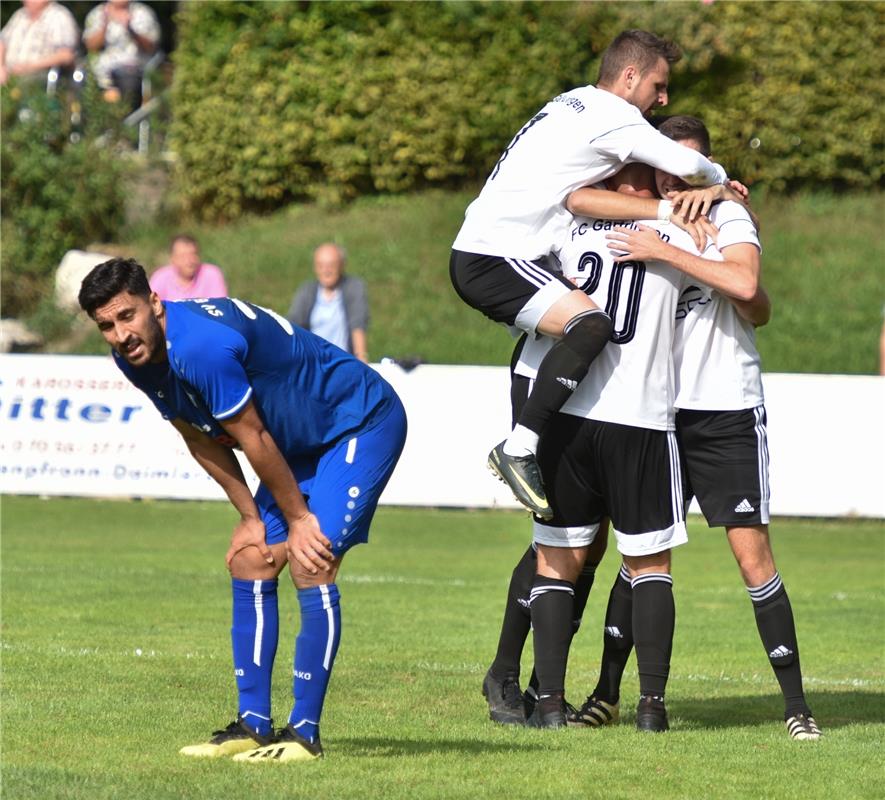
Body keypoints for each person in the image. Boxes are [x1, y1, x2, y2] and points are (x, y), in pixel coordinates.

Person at [78, 258, 407, 761]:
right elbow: (196, 435)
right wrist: (251, 519)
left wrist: (298, 521)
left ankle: (304, 735)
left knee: (310, 559)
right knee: (250, 557)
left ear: (155, 303)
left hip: (356, 422)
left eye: (127, 316)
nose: (121, 334)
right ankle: (254, 726)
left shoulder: (199, 346)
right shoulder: (137, 359)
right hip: (296, 445)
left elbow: (249, 435)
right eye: (107, 325)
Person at [575, 115, 821, 741]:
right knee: (640, 557)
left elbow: (745, 285)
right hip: (656, 413)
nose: (674, 174)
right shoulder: (654, 215)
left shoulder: (729, 217)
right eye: (665, 162)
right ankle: (607, 694)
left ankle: (797, 707)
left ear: (707, 167)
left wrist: (670, 247)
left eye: (688, 164)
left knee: (751, 556)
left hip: (726, 410)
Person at [450, 29, 730, 520]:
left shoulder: (572, 102)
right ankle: (519, 448)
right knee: (592, 325)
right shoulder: (615, 117)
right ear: (629, 76)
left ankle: (526, 441)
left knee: (568, 333)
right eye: (658, 86)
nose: (663, 98)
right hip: (494, 256)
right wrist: (720, 180)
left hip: (493, 253)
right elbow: (687, 163)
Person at [491, 160, 698, 731]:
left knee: (557, 557)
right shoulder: (676, 231)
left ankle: (549, 702)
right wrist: (714, 202)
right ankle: (651, 709)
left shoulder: (564, 226)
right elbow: (738, 285)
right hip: (640, 416)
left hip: (568, 413)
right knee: (649, 562)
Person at [287, 243, 369, 363]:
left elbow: (357, 324)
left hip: (343, 361)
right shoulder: (307, 291)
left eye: (331, 265)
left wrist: (361, 359)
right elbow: (293, 325)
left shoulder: (353, 287)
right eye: (320, 266)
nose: (326, 271)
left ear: (341, 266)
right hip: (313, 362)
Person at [82, 0, 159, 107]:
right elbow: (91, 46)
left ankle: (127, 118)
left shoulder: (142, 13)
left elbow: (151, 47)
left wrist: (130, 29)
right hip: (101, 72)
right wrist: (104, 25)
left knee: (127, 80)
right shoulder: (97, 14)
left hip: (133, 71)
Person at [0, 0, 78, 88]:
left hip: (40, 78)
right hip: (10, 76)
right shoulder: (20, 15)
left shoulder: (59, 17)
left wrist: (31, 66)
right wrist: (1, 67)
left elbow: (66, 55)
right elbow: (2, 42)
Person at [149, 234, 228, 302]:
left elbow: (221, 308)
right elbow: (150, 306)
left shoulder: (212, 274)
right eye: (183, 256)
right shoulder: (160, 277)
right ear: (172, 259)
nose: (189, 261)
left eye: (193, 254)